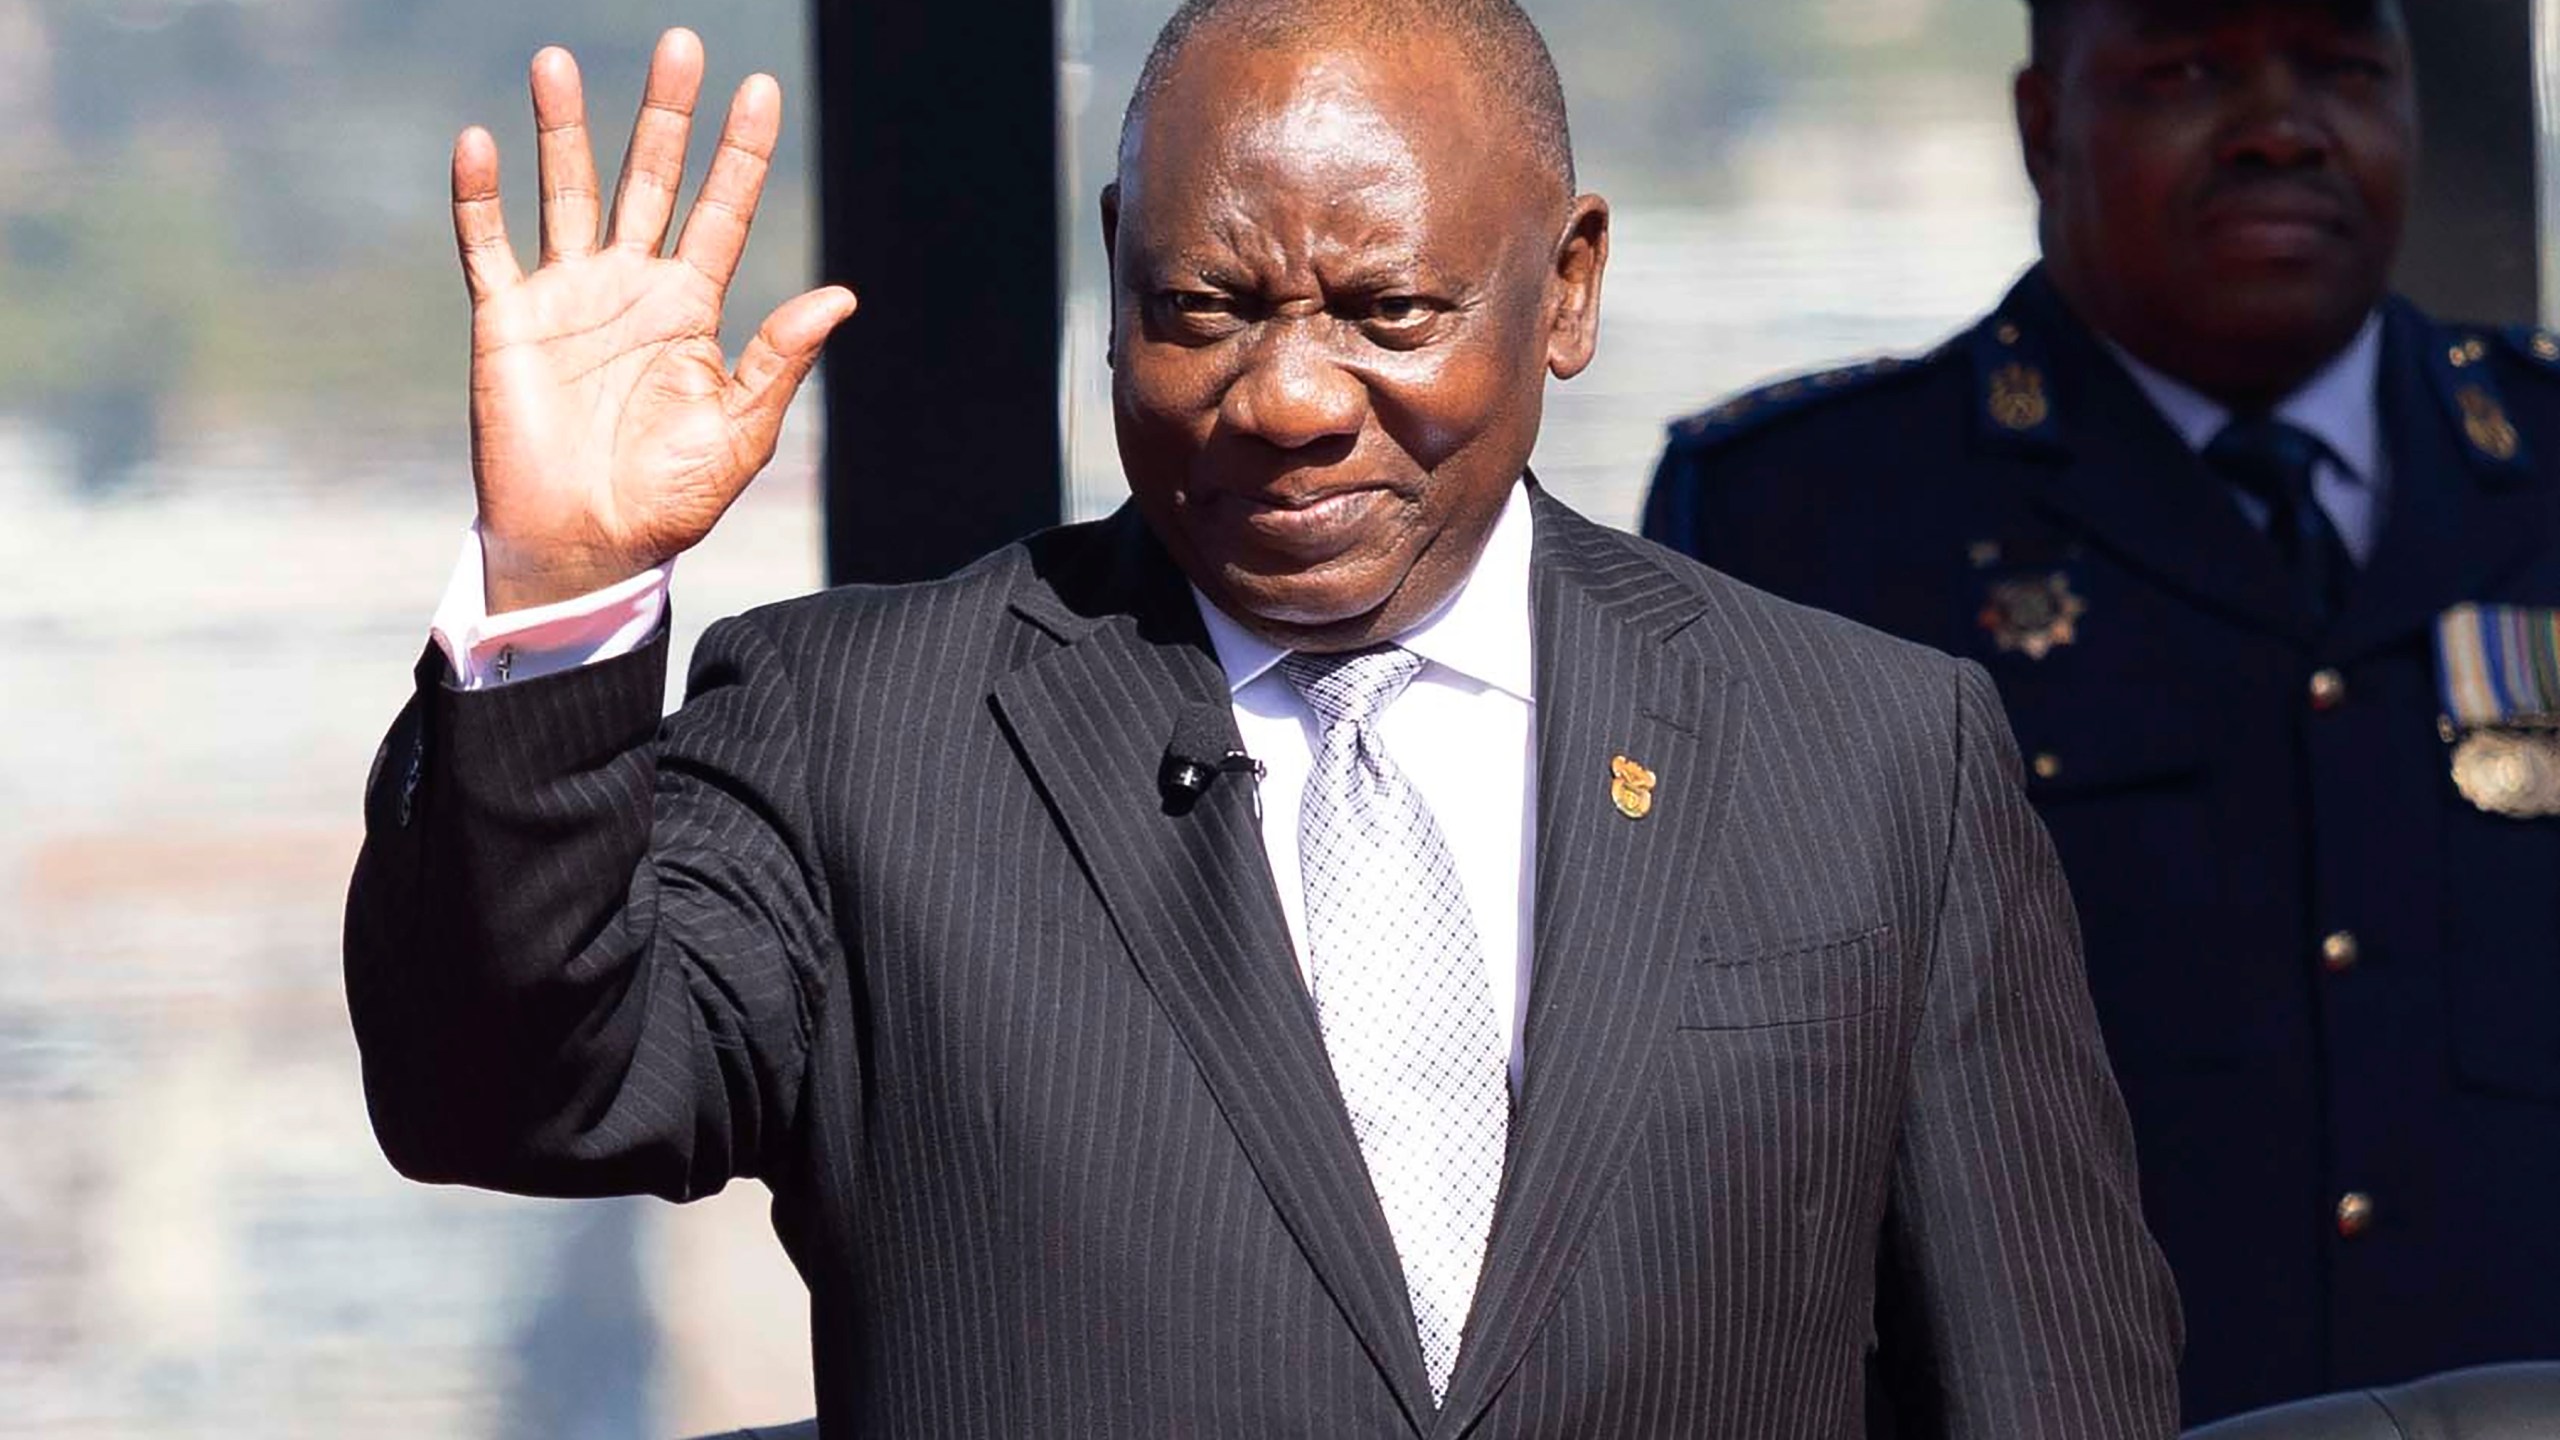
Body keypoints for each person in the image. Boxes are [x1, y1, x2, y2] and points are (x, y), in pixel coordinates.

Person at [346, 3, 2180, 1433]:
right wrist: (560, 594)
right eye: (1203, 309)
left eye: (1391, 312)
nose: (1289, 398)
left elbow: (2047, 1391)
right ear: (1114, 265)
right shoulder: (867, 730)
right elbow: (518, 1090)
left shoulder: (1867, 759)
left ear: (1569, 289)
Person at [1643, 0, 2560, 1423]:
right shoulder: (1813, 513)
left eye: (2344, 70)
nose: (2278, 129)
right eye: (2186, 71)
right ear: (2040, 126)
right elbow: (1719, 1137)